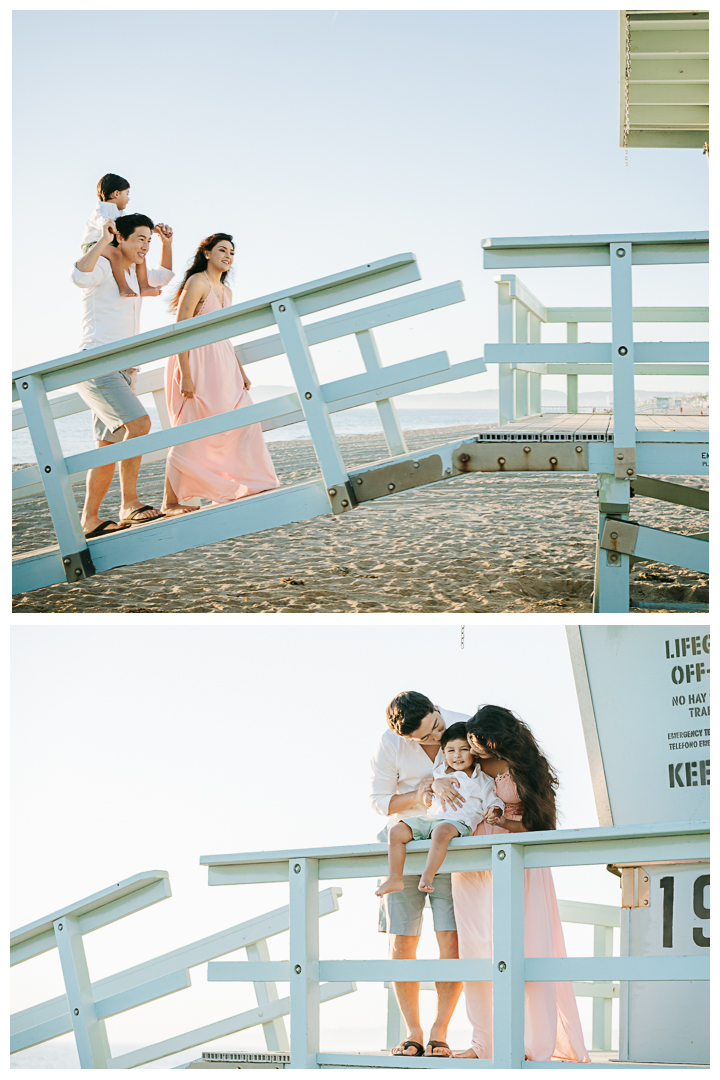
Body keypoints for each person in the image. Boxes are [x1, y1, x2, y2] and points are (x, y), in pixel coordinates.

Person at [444, 705, 590, 1063]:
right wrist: (436, 782)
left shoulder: (529, 768)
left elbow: (542, 826)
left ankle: (534, 1044)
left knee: (527, 949)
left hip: (517, 863)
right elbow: (436, 783)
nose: (472, 748)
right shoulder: (469, 764)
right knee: (477, 951)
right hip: (473, 867)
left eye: (478, 742)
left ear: (499, 737)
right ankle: (483, 1044)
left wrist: (504, 823)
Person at [72, 214, 194, 537]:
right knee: (140, 425)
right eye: (139, 239)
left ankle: (90, 519)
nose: (145, 246)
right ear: (121, 239)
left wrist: (166, 244)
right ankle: (129, 503)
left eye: (148, 240)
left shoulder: (133, 274)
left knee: (106, 446)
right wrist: (102, 240)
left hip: (124, 371)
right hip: (97, 365)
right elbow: (78, 275)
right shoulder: (103, 266)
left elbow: (164, 276)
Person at [370, 692, 470, 1058]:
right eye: (425, 737)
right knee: (402, 941)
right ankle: (412, 1031)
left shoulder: (464, 722)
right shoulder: (389, 743)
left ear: (436, 710)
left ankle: (440, 1031)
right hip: (405, 845)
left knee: (451, 940)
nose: (435, 738)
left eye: (436, 727)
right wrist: (421, 792)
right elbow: (381, 801)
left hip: (451, 845)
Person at [162, 233, 279, 512]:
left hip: (223, 364)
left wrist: (241, 370)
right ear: (206, 253)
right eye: (222, 250)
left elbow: (225, 335)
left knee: (244, 420)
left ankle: (248, 481)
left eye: (232, 253)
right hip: (196, 362)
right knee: (191, 428)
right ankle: (170, 500)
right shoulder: (197, 282)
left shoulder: (227, 292)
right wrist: (185, 374)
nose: (228, 256)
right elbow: (179, 331)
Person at [376, 722, 504, 897]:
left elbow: (494, 800)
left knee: (441, 832)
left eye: (463, 750)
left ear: (474, 753)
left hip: (458, 823)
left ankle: (427, 876)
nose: (457, 755)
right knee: (396, 831)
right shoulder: (439, 773)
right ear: (444, 753)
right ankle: (395, 878)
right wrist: (429, 797)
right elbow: (429, 797)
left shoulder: (481, 780)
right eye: (451, 751)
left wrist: (495, 810)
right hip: (430, 819)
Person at [80, 173, 162, 299]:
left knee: (139, 256)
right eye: (127, 194)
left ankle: (144, 286)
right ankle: (123, 286)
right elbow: (104, 222)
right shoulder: (100, 210)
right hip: (94, 244)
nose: (128, 199)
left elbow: (131, 227)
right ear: (116, 194)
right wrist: (108, 224)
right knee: (116, 254)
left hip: (111, 243)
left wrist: (152, 229)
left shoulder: (120, 212)